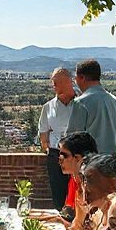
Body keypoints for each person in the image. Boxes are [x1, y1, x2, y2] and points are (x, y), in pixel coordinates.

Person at [37, 67, 79, 210]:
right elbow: (43, 132)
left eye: (57, 82)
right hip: (56, 155)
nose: (54, 86)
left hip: (78, 155)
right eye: (53, 82)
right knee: (59, 195)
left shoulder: (82, 104)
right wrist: (48, 150)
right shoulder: (48, 107)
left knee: (80, 193)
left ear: (69, 81)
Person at [67, 59, 116, 154]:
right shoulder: (115, 101)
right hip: (111, 162)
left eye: (75, 78)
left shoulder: (81, 102)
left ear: (82, 78)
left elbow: (72, 139)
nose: (75, 81)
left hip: (90, 163)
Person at [57, 131, 98, 230]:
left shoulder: (93, 187)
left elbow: (82, 228)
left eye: (64, 155)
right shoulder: (76, 181)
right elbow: (77, 226)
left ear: (78, 158)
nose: (59, 160)